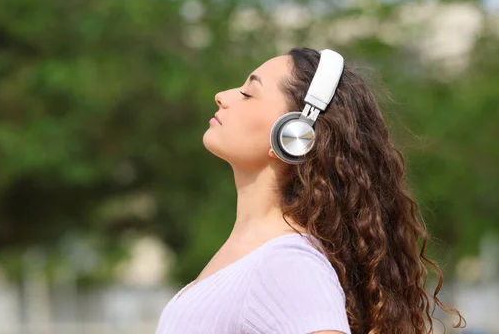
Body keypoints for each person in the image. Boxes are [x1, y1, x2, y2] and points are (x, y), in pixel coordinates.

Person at [155, 47, 464, 334]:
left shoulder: (287, 265)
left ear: (294, 135)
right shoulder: (258, 255)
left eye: (249, 93)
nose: (222, 95)